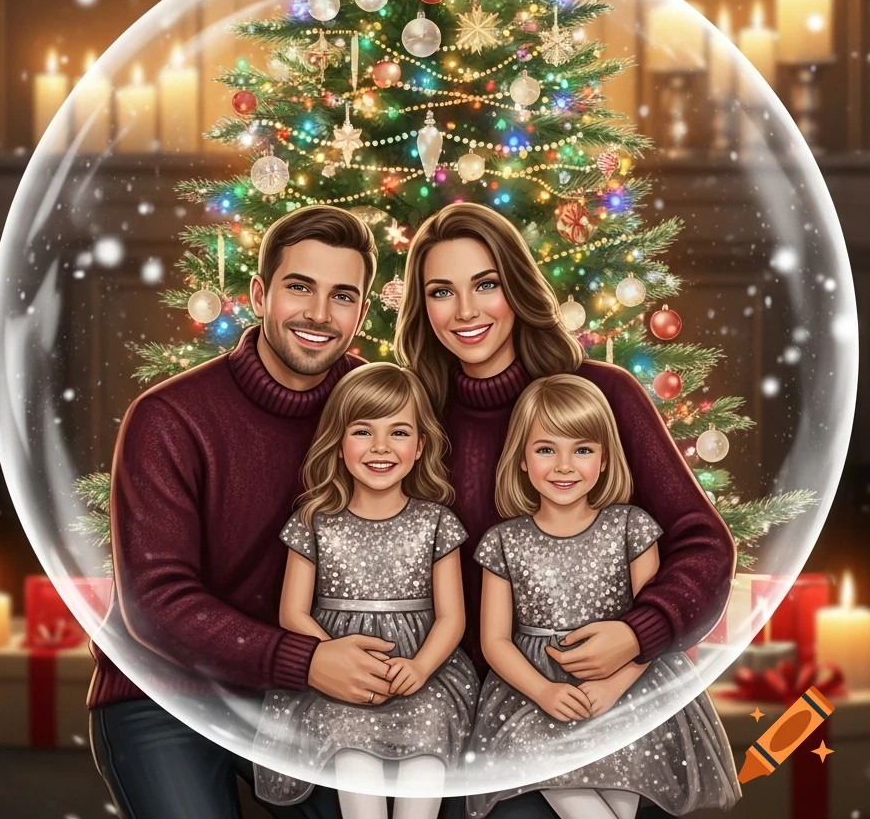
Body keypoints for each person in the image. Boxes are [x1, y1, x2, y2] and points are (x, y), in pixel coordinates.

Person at [393, 204, 737, 819]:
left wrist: (638, 634)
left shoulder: (602, 396)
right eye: (442, 292)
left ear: (518, 288)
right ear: (424, 310)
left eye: (487, 284)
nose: (466, 312)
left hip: (618, 691)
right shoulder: (411, 427)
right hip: (486, 706)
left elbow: (703, 546)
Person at [88, 206, 396, 819]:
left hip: (305, 697)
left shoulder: (382, 411)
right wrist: (307, 661)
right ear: (259, 293)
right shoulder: (170, 418)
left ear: (361, 313)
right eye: (299, 287)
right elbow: (157, 603)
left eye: (343, 296)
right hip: (165, 693)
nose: (318, 314)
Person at [466, 374, 740, 818]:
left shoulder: (631, 528)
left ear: (606, 459)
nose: (564, 466)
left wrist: (611, 688)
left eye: (583, 450)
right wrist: (544, 692)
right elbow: (495, 640)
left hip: (626, 686)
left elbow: (646, 631)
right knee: (544, 762)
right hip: (532, 693)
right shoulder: (503, 542)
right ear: (520, 458)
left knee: (623, 772)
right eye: (545, 449)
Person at [253, 363, 479, 819]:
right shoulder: (314, 521)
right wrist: (333, 655)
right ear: (338, 444)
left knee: (428, 744)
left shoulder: (436, 523)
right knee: (351, 750)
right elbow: (293, 613)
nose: (380, 447)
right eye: (362, 431)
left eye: (398, 432)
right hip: (338, 674)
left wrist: (420, 666)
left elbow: (451, 617)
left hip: (423, 672)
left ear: (420, 447)